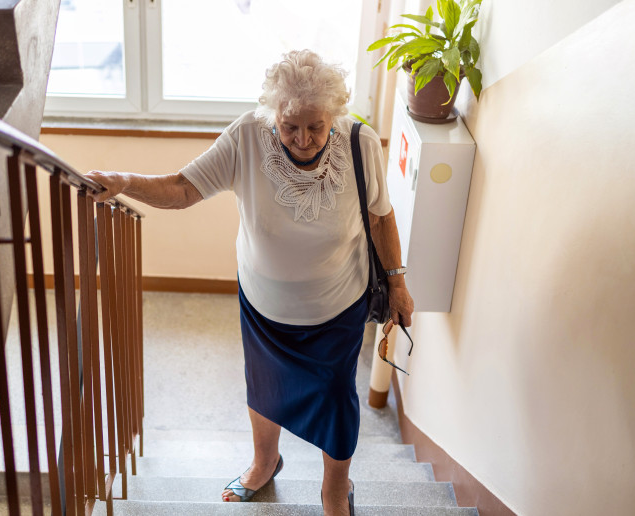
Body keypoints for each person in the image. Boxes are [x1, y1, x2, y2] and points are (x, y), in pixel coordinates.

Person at [86, 49, 414, 516]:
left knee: (338, 400)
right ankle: (264, 463)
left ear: (334, 117)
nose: (302, 139)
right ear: (273, 115)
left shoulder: (360, 145)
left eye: (315, 126)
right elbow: (182, 188)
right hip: (264, 306)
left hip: (338, 307)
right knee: (264, 388)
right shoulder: (246, 137)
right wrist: (124, 180)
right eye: (290, 125)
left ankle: (335, 491)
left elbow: (381, 220)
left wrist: (398, 285)